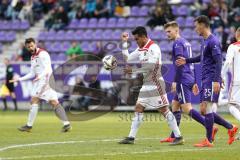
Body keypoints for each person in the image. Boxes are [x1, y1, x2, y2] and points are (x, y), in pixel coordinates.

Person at [176, 15, 238, 147]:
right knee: (204, 110)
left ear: (203, 25)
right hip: (205, 78)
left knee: (207, 108)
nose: (195, 29)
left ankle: (208, 140)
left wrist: (216, 80)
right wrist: (187, 60)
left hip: (210, 79)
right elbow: (202, 57)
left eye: (196, 25)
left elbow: (218, 60)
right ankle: (230, 127)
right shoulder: (204, 41)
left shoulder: (213, 41)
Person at [118, 26, 184, 145]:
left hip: (156, 83)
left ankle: (179, 136)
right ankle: (131, 137)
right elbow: (127, 58)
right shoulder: (140, 49)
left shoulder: (153, 47)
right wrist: (124, 42)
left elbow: (151, 66)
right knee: (138, 108)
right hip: (146, 84)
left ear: (143, 36)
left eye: (137, 39)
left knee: (164, 109)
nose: (136, 42)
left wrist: (132, 71)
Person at [10, 38, 71, 132]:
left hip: (45, 80)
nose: (30, 48)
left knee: (34, 100)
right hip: (42, 80)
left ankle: (29, 126)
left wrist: (40, 77)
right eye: (28, 47)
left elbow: (47, 68)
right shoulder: (32, 57)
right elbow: (31, 73)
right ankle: (67, 124)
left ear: (35, 44)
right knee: (54, 102)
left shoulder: (43, 54)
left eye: (31, 45)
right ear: (26, 47)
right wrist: (19, 79)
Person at [161, 21, 208, 144]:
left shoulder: (177, 44)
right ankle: (173, 135)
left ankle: (209, 126)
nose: (167, 34)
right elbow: (190, 63)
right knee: (175, 105)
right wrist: (194, 81)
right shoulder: (186, 42)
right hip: (189, 77)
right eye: (166, 32)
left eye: (169, 31)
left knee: (186, 108)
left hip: (182, 79)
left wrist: (176, 81)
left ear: (176, 30)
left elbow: (180, 64)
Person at [221, 27, 240, 138]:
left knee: (232, 106)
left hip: (237, 80)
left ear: (237, 34)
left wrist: (221, 76)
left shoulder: (233, 46)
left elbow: (228, 62)